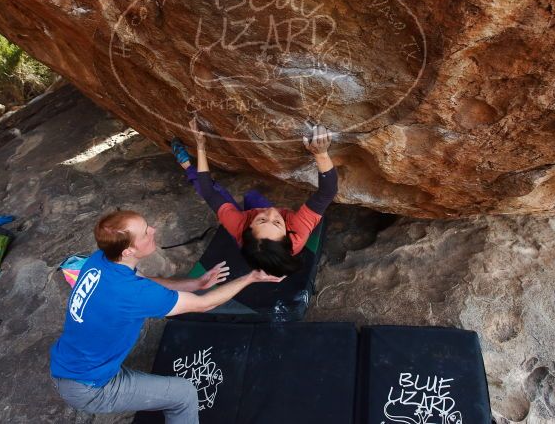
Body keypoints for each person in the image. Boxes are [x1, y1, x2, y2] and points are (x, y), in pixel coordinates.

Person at [49, 209, 284, 421]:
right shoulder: (131, 294)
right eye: (145, 233)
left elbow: (143, 282)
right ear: (129, 250)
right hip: (91, 388)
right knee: (184, 394)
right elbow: (203, 305)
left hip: (70, 364)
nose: (153, 229)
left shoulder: (100, 259)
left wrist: (195, 283)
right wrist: (250, 278)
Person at [171, 119, 338, 276]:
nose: (272, 212)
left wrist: (201, 147)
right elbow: (327, 192)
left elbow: (208, 192)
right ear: (287, 233)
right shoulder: (297, 231)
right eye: (277, 222)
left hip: (246, 224)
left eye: (262, 220)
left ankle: (185, 165)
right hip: (266, 230)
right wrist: (321, 154)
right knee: (251, 196)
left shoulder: (237, 224)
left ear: (248, 226)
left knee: (219, 193)